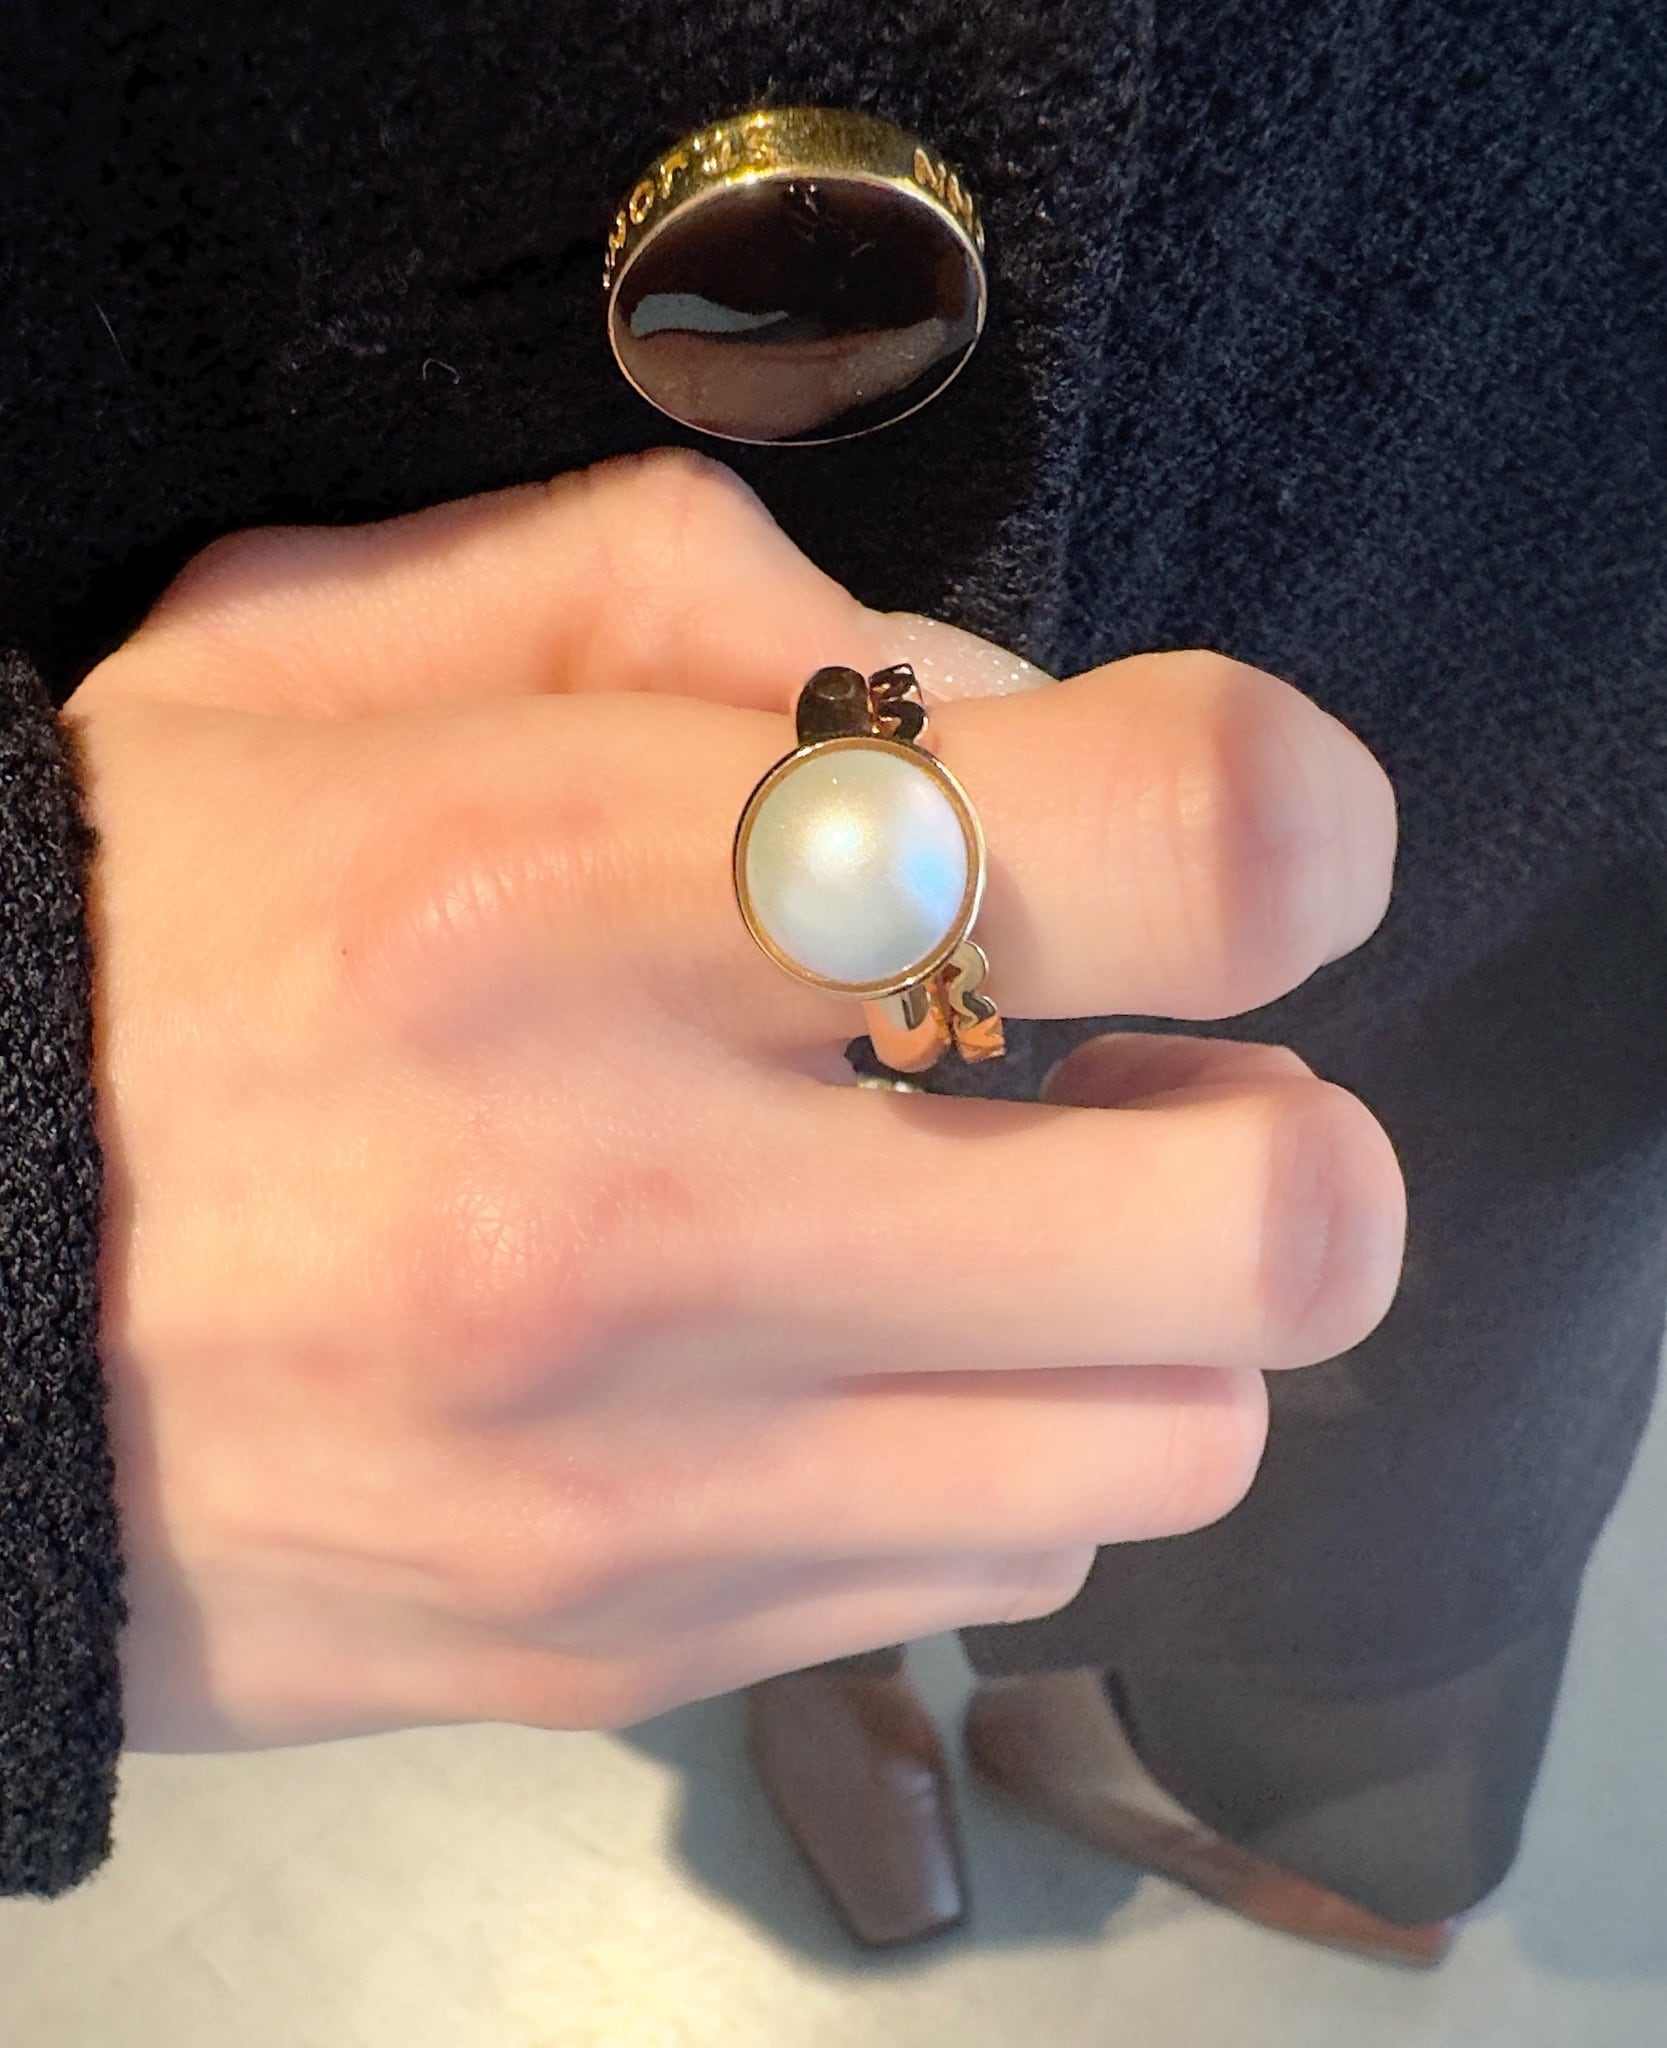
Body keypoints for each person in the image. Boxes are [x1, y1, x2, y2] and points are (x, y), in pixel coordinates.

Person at [0, 0, 1661, 1976]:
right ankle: (840, 1656)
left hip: (1504, 630)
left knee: (1364, 1427)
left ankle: (1230, 1769)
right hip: (293, 938)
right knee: (654, 1419)